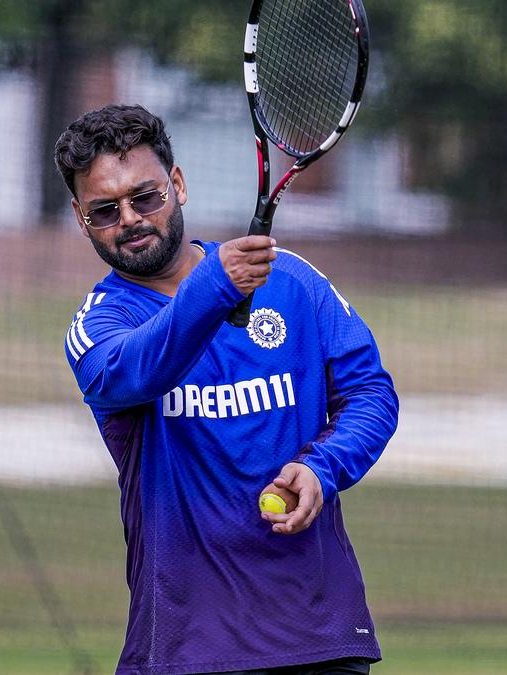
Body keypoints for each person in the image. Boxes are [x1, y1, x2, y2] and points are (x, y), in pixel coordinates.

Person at [54, 104, 398, 675]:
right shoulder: (98, 326)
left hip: (317, 637)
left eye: (145, 197)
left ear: (178, 185)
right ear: (80, 217)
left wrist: (322, 467)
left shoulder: (289, 280)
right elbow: (138, 368)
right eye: (105, 210)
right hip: (187, 647)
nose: (131, 219)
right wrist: (215, 286)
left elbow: (370, 395)